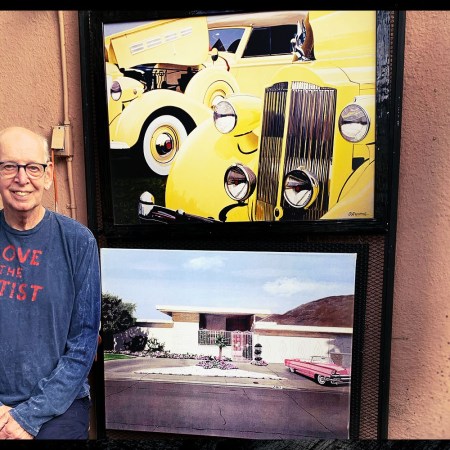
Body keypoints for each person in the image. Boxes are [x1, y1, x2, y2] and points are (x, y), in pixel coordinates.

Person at [0, 126, 101, 440]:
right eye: (9, 166)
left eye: (32, 167)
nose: (21, 178)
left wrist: (29, 416)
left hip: (60, 406)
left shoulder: (78, 242)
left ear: (47, 176)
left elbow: (84, 343)